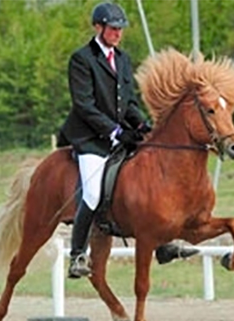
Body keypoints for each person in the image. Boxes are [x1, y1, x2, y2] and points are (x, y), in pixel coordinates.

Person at [59, 2, 194, 278]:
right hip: (90, 138)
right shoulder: (82, 59)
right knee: (93, 192)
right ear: (98, 27)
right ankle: (77, 256)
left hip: (119, 133)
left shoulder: (122, 59)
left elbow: (128, 102)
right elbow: (84, 105)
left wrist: (142, 124)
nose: (118, 33)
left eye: (120, 29)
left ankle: (163, 245)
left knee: (151, 178)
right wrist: (114, 130)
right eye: (113, 28)